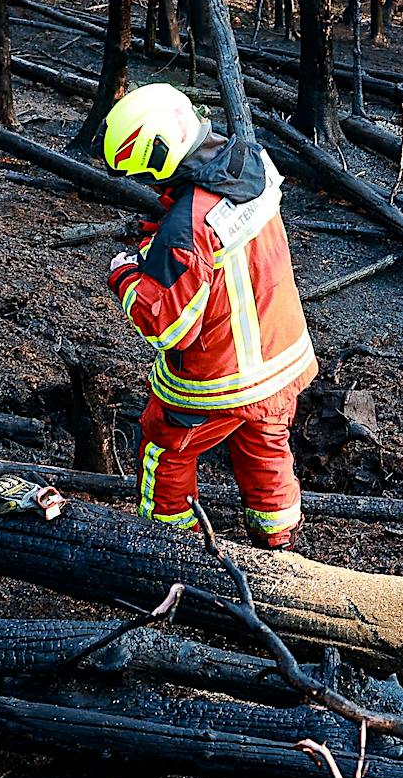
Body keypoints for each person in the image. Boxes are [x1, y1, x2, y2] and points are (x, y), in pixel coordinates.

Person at [100, 83, 315, 549]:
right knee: (266, 446)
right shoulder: (250, 162)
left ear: (158, 158)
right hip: (281, 357)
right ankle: (279, 546)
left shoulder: (188, 226)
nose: (148, 185)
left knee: (165, 449)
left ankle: (170, 543)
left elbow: (167, 326)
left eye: (144, 175)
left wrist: (126, 275)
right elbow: (229, 251)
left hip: (218, 379)